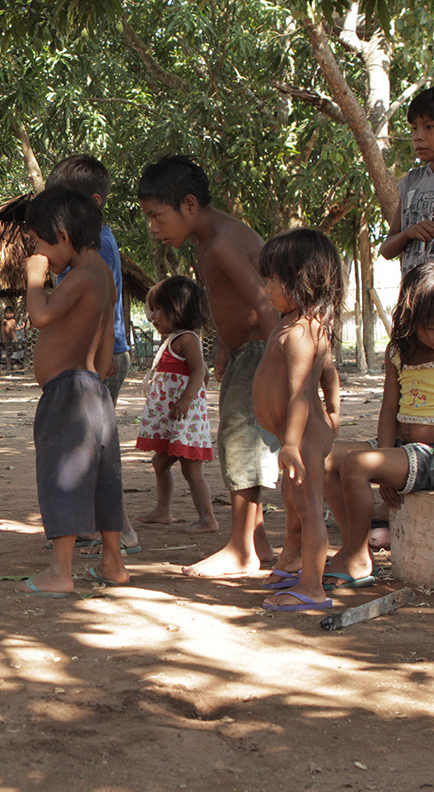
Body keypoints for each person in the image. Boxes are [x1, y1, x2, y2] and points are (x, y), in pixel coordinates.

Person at [137, 155, 282, 578]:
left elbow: (264, 302)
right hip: (245, 352)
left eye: (156, 216)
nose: (152, 227)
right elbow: (228, 302)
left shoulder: (222, 242)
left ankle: (240, 550)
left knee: (240, 443)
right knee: (243, 442)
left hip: (261, 352)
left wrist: (279, 359)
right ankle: (258, 542)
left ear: (188, 205)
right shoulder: (206, 242)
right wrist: (224, 348)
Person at [13, 186, 127, 597]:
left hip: (66, 394)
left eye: (41, 243)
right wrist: (92, 376)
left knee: (62, 477)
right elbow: (101, 344)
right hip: (92, 391)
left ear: (62, 236)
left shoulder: (77, 278)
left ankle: (61, 570)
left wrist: (34, 280)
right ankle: (112, 562)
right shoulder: (103, 279)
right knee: (103, 479)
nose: (40, 251)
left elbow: (42, 315)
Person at [323, 260, 434, 592]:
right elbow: (390, 407)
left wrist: (383, 462)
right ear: (413, 320)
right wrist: (385, 452)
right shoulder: (399, 352)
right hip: (402, 449)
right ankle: (359, 544)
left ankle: (355, 556)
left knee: (357, 465)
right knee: (322, 458)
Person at [48, 154, 142, 557]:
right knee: (86, 446)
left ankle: (120, 529)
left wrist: (100, 357)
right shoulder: (86, 246)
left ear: (93, 202)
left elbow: (102, 307)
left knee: (93, 450)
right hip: (91, 360)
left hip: (97, 361)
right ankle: (93, 526)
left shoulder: (96, 245)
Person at [253, 229, 344, 611]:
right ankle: (293, 561)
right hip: (294, 433)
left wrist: (291, 443)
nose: (265, 288)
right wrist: (335, 410)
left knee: (307, 507)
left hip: (301, 434)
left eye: (272, 280)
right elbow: (328, 372)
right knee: (293, 500)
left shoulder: (304, 331)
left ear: (299, 280)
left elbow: (300, 393)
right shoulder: (294, 322)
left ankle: (312, 586)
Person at [134, 276, 219, 534]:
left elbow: (199, 371)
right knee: (160, 464)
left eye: (159, 309)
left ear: (179, 309)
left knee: (191, 471)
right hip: (175, 421)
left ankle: (208, 520)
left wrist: (186, 399)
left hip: (185, 422)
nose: (153, 317)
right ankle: (163, 511)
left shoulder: (188, 339)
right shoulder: (174, 338)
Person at [380, 84, 434, 273]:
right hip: (413, 298)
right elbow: (386, 250)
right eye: (414, 128)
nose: (418, 137)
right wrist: (408, 233)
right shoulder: (411, 181)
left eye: (429, 126)